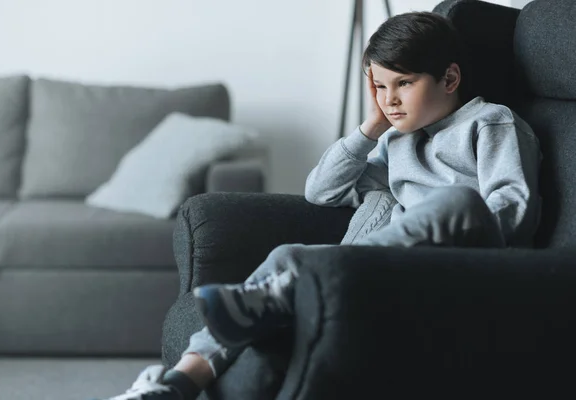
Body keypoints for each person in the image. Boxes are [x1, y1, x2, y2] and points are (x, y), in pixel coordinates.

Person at [93, 10, 542, 400]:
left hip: (472, 263)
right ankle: (177, 383)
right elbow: (321, 192)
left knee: (455, 200)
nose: (390, 99)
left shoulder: (489, 122)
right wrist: (369, 129)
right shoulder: (397, 142)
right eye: (380, 87)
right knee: (286, 256)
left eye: (403, 84)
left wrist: (442, 217)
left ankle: (324, 276)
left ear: (449, 79)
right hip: (396, 270)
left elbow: (514, 208)